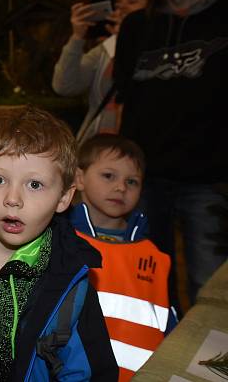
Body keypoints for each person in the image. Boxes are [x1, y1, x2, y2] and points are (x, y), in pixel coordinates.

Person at [0, 106, 117, 381]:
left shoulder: (69, 282)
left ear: (63, 198)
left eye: (34, 185)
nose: (13, 198)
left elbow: (90, 373)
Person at [114, 0, 228, 303]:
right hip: (146, 177)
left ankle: (206, 362)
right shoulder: (138, 25)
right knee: (150, 283)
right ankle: (160, 360)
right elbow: (124, 98)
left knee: (209, 285)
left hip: (209, 178)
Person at [69, 134, 175, 380]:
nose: (121, 188)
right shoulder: (62, 241)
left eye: (132, 181)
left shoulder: (154, 255)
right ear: (79, 178)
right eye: (109, 176)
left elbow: (168, 321)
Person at [52, 0, 149, 141]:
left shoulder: (159, 47)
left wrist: (129, 43)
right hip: (96, 144)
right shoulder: (105, 49)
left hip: (137, 143)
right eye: (118, 5)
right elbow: (64, 86)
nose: (122, 8)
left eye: (132, 1)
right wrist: (77, 37)